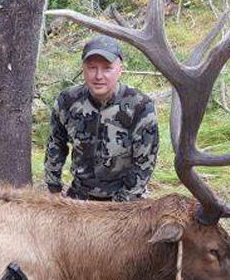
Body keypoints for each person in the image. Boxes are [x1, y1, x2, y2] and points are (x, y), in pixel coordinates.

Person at [44, 35, 158, 201]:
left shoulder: (140, 106)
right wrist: (53, 186)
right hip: (79, 197)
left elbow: (145, 162)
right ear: (83, 68)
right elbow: (56, 143)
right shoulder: (67, 100)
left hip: (124, 201)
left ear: (120, 69)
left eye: (107, 68)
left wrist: (121, 203)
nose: (98, 76)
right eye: (92, 68)